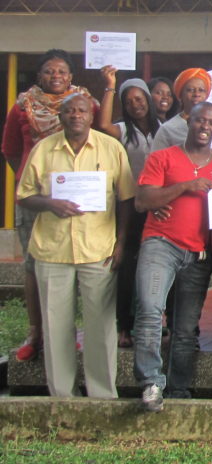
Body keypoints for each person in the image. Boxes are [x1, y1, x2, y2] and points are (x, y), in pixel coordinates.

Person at [16, 93, 134, 398]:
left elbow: (126, 200)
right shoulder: (44, 150)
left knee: (101, 327)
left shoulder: (111, 149)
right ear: (61, 116)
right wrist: (49, 203)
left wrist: (121, 243)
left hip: (99, 249)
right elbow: (24, 195)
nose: (75, 115)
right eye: (69, 111)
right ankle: (62, 395)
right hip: (52, 250)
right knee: (56, 326)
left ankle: (102, 395)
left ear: (91, 116)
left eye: (81, 110)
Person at [2, 49, 98, 364]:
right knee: (33, 266)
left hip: (79, 198)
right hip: (37, 200)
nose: (55, 76)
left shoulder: (86, 104)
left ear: (71, 76)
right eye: (48, 71)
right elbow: (13, 151)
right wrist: (35, 184)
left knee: (75, 265)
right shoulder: (22, 107)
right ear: (39, 76)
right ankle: (36, 332)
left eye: (61, 71)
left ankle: (69, 332)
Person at [134, 101, 212, 412]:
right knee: (149, 310)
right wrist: (185, 186)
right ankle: (150, 382)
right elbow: (142, 200)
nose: (205, 127)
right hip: (161, 243)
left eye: (211, 123)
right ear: (189, 122)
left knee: (185, 328)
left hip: (199, 254)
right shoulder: (163, 157)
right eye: (200, 121)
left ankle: (178, 391)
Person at [96, 69, 160, 349]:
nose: (136, 104)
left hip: (157, 206)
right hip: (130, 207)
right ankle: (124, 325)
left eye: (140, 98)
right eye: (130, 100)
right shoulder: (122, 130)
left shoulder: (163, 128)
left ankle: (156, 321)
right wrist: (110, 86)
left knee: (154, 265)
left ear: (148, 98)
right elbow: (103, 124)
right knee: (128, 266)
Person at [151, 68, 212, 150]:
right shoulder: (167, 129)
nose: (196, 94)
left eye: (201, 90)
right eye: (190, 90)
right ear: (181, 95)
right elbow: (155, 161)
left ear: (206, 95)